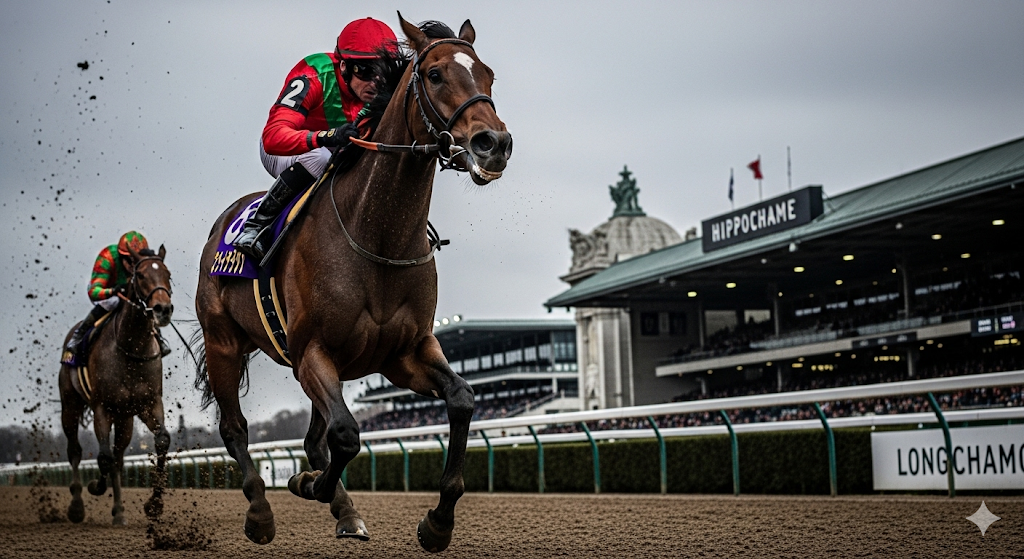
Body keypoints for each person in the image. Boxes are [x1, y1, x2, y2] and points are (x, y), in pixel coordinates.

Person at [232, 17, 398, 261]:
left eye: (383, 71)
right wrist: (327, 136)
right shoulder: (314, 76)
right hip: (286, 151)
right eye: (365, 70)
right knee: (320, 157)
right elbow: (273, 137)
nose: (375, 83)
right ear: (343, 66)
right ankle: (257, 226)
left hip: (339, 156)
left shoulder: (388, 88)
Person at [65, 231, 171, 357]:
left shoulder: (143, 264)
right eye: (131, 261)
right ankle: (78, 335)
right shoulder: (107, 258)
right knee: (113, 302)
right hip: (106, 291)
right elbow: (93, 292)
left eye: (137, 260)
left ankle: (158, 337)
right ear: (122, 257)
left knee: (143, 303)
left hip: (129, 293)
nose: (134, 265)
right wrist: (113, 291)